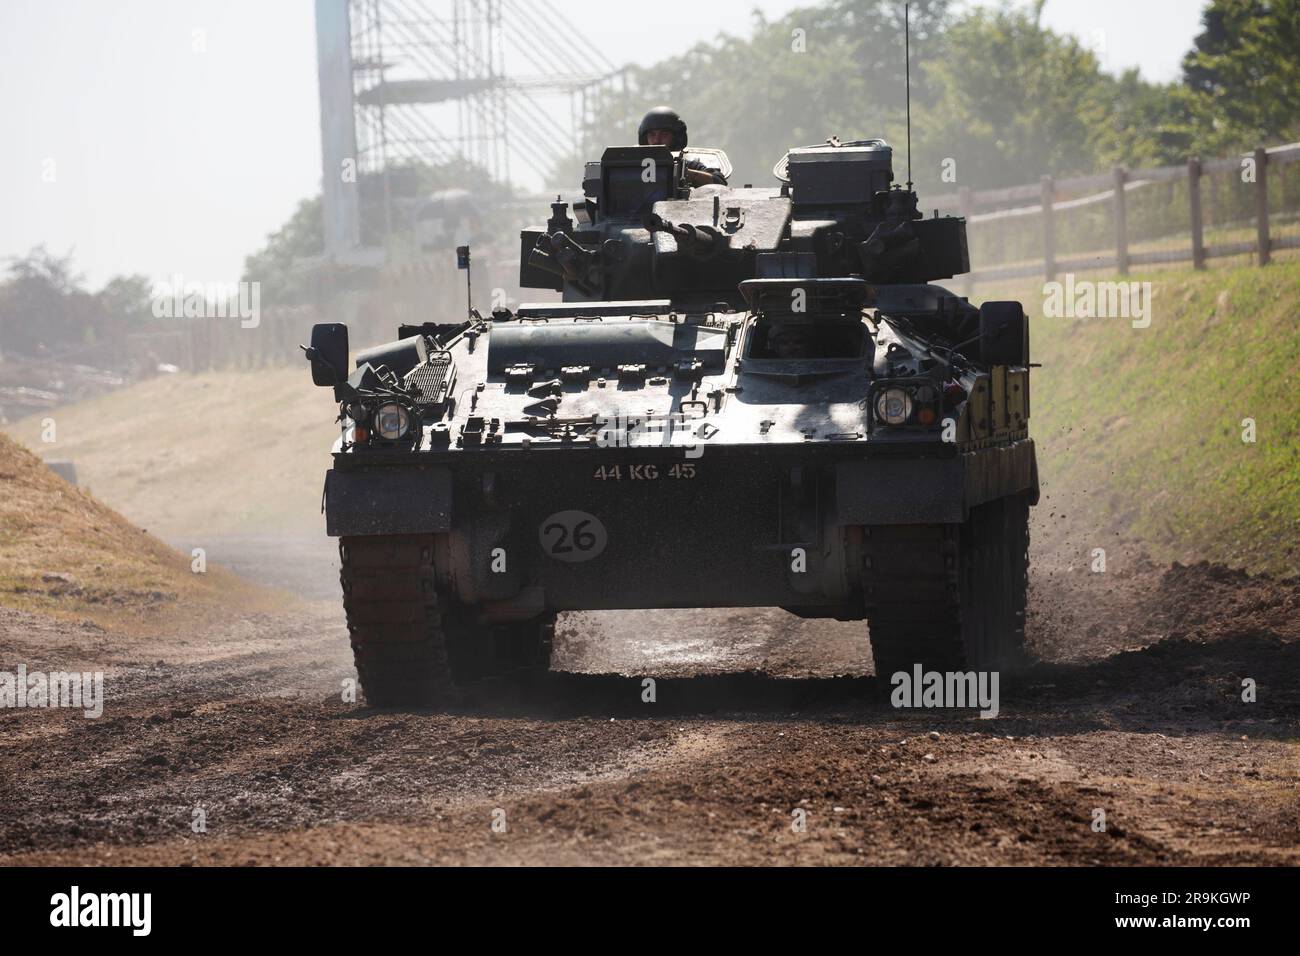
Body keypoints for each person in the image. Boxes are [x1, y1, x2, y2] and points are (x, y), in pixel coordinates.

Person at [637, 107, 727, 186]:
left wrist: (683, 173)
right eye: (652, 134)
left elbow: (719, 182)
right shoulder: (635, 165)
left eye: (664, 134)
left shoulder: (687, 165)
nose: (657, 140)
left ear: (676, 138)